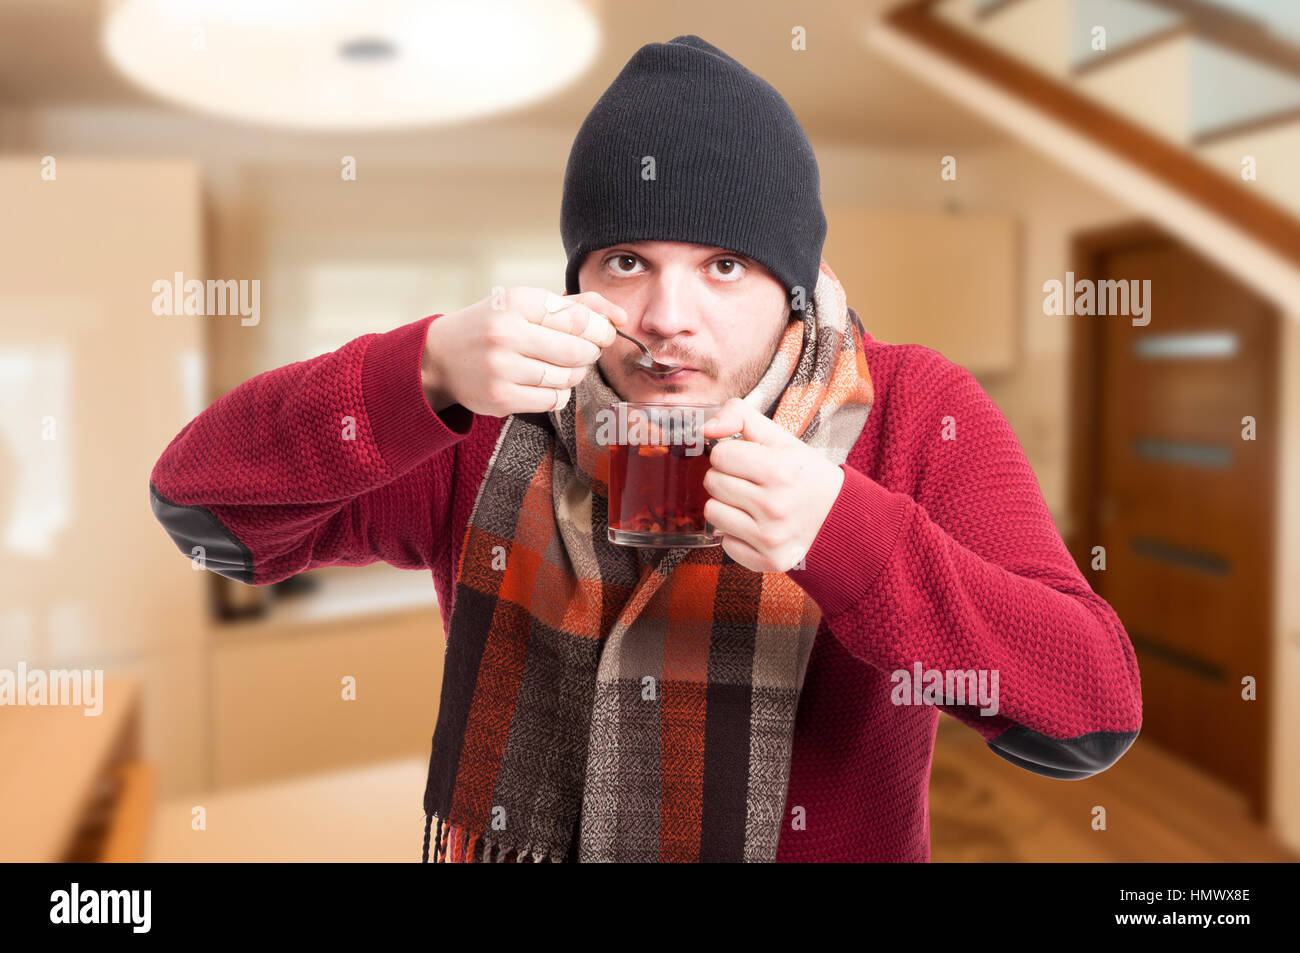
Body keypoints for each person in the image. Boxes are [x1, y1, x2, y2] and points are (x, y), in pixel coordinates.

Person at [148, 34, 1142, 863]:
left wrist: (850, 534)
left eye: (723, 265)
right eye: (627, 261)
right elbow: (206, 514)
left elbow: (1087, 715)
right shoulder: (492, 418)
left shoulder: (912, 409)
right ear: (580, 273)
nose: (669, 317)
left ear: (791, 286)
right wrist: (421, 372)